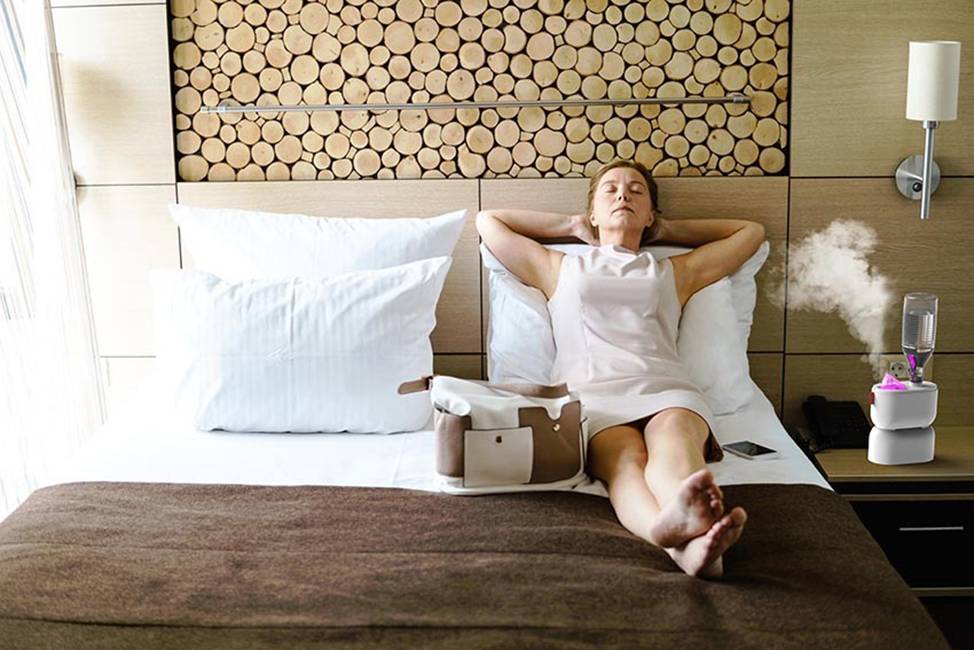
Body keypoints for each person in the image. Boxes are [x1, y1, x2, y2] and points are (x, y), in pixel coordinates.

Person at [476, 160, 766, 578]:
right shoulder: (557, 266)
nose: (623, 195)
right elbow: (489, 221)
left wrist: (666, 231)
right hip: (592, 396)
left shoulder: (675, 271)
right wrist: (571, 224)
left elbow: (750, 233)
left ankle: (694, 529)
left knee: (673, 443)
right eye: (609, 190)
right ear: (593, 210)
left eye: (636, 191)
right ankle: (679, 542)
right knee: (625, 462)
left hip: (668, 389)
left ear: (650, 213)